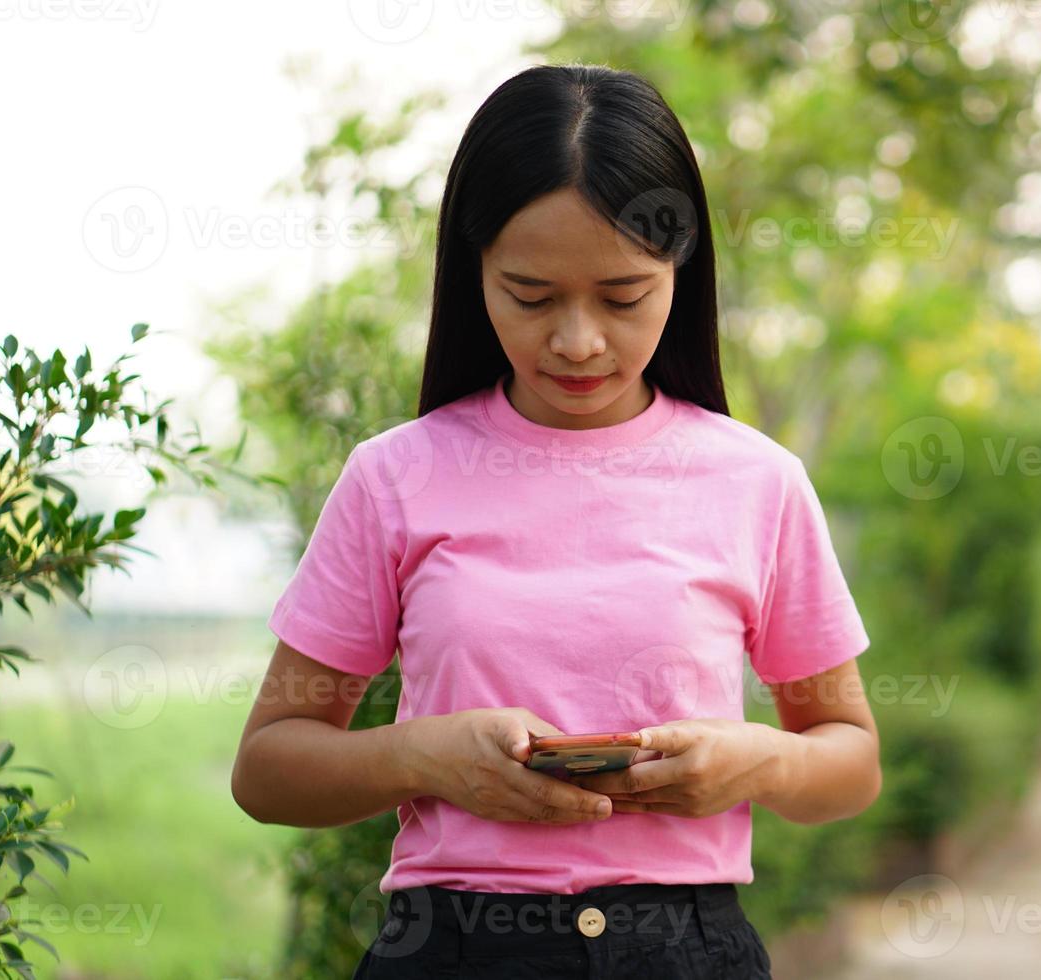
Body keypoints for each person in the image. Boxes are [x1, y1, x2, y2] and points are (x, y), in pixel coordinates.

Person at [230, 63, 879, 979]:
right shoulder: (395, 477)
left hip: (688, 952)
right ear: (475, 275)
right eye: (531, 296)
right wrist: (429, 755)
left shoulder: (756, 481)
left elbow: (848, 761)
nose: (578, 342)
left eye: (624, 296)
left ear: (680, 277)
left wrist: (752, 762)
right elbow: (267, 771)